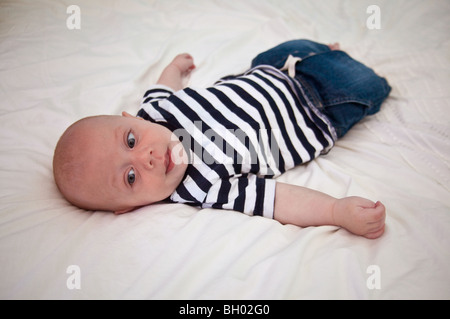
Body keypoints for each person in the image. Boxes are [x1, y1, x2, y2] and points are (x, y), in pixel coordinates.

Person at [53, 39, 391, 239]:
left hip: (270, 70)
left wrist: (175, 66)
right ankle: (332, 59)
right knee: (367, 83)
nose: (147, 158)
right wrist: (334, 210)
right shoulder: (203, 187)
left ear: (131, 119)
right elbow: (277, 199)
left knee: (297, 47)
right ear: (129, 208)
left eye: (130, 141)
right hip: (318, 110)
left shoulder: (155, 111)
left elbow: (164, 85)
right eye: (131, 177)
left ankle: (322, 51)